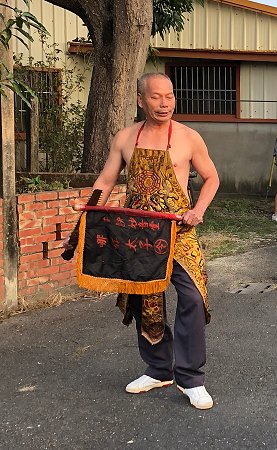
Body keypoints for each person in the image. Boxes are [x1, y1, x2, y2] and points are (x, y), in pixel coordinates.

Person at [72, 73, 219, 410]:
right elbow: (106, 181)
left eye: (169, 96)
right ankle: (158, 369)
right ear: (140, 100)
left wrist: (197, 210)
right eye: (156, 97)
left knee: (193, 298)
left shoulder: (189, 137)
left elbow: (212, 177)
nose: (164, 103)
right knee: (145, 302)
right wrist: (87, 214)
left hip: (178, 233)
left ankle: (191, 378)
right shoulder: (125, 138)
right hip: (138, 234)